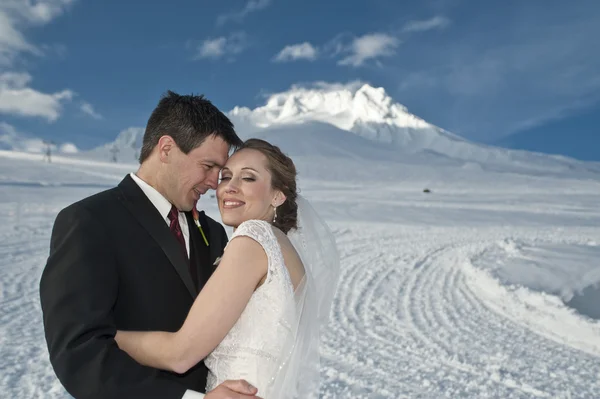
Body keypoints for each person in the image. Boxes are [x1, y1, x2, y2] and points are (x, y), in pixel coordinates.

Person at [39, 91, 261, 399]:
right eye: (208, 166)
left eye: (219, 171)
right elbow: (79, 353)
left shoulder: (212, 231)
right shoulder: (89, 220)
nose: (214, 183)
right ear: (167, 148)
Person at [113, 138, 340, 398]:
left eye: (248, 178)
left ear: (278, 194)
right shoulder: (287, 251)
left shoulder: (254, 238)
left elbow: (180, 354)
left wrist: (105, 335)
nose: (229, 188)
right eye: (225, 176)